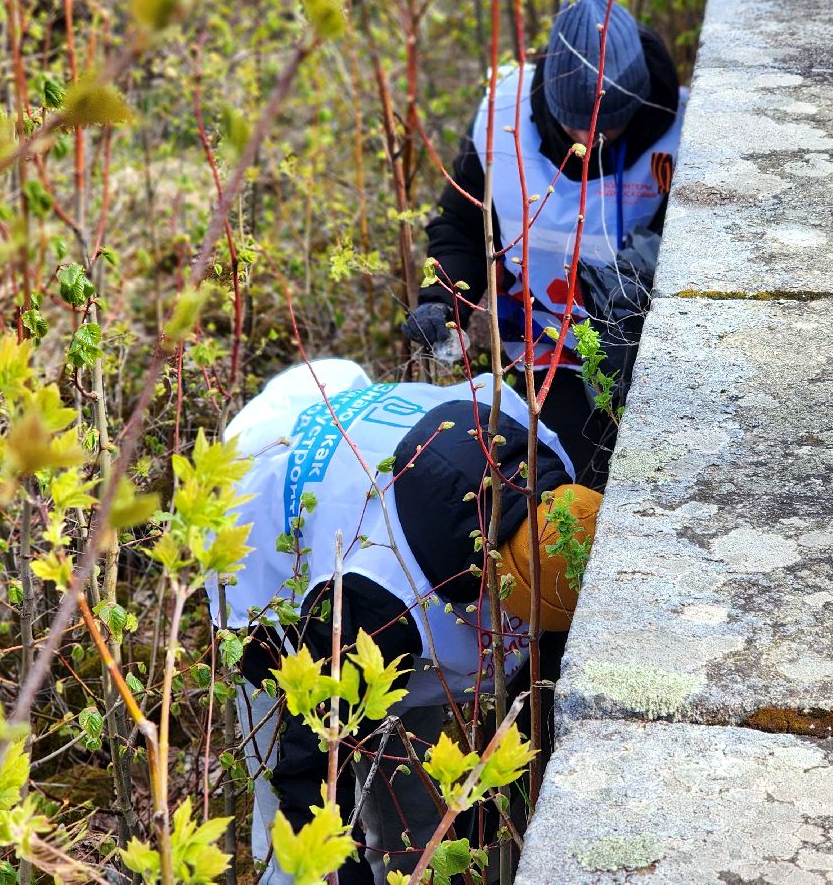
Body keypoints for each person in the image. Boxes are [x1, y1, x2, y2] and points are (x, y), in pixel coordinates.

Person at [210, 359, 600, 885]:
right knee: (296, 850)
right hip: (263, 546)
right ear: (495, 579)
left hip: (385, 521)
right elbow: (307, 770)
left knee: (410, 795)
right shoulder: (376, 596)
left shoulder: (548, 467)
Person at [403, 0, 686, 488]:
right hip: (543, 353)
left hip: (643, 355)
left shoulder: (682, 132)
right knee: (559, 483)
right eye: (574, 125)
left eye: (609, 125)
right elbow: (462, 224)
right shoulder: (502, 120)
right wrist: (444, 301)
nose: (589, 140)